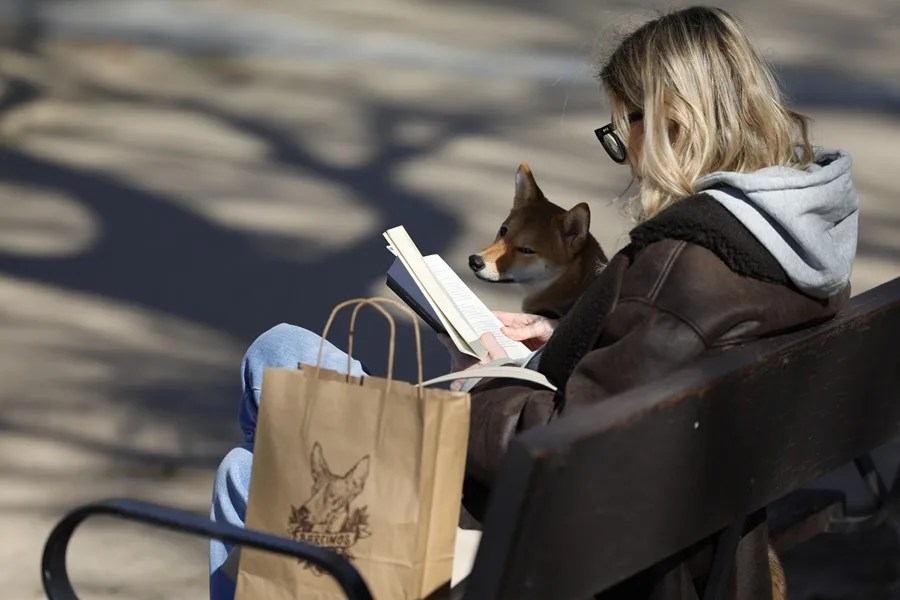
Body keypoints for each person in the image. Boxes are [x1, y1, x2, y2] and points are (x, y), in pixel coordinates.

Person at [209, 6, 858, 599]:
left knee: (248, 466)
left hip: (539, 540)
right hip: (671, 526)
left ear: (672, 120)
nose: (626, 158)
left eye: (623, 130)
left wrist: (480, 381)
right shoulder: (791, 242)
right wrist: (564, 337)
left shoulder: (684, 272)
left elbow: (574, 450)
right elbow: (655, 363)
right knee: (282, 353)